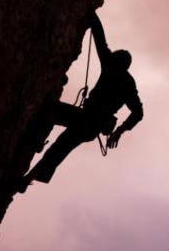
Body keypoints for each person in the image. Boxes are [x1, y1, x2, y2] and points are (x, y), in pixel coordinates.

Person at [17, 11, 143, 192]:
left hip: (87, 119)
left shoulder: (112, 67)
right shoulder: (127, 82)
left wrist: (91, 13)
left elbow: (100, 38)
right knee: (60, 146)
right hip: (92, 126)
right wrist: (119, 131)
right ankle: (28, 178)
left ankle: (34, 144)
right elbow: (138, 113)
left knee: (52, 115)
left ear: (118, 63)